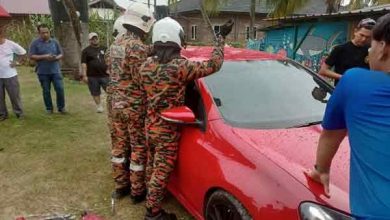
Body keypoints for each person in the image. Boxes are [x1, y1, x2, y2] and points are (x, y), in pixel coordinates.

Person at [139, 17, 233, 220]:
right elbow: (215, 64)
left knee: (152, 165)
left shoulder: (145, 66)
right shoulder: (180, 67)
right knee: (161, 170)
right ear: (176, 40)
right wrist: (220, 38)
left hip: (150, 125)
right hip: (167, 129)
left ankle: (152, 197)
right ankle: (152, 213)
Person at [308, 13, 390, 219]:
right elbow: (324, 70)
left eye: (370, 40)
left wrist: (320, 170)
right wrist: (344, 78)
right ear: (355, 31)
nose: (366, 45)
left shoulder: (358, 78)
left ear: (383, 49)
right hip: (345, 99)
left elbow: (330, 136)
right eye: (363, 36)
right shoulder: (341, 50)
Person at [106, 2, 154, 202]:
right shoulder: (137, 47)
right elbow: (141, 78)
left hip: (115, 105)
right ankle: (137, 191)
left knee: (119, 147)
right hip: (134, 107)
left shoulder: (115, 44)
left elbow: (113, 71)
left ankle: (120, 186)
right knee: (137, 147)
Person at [319, 18, 376, 86]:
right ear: (355, 32)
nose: (364, 39)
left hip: (361, 91)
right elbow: (323, 71)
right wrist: (345, 78)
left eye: (368, 37)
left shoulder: (370, 51)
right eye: (362, 35)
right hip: (342, 89)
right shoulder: (340, 49)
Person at [29, 24, 65, 114]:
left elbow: (61, 54)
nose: (45, 34)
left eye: (47, 32)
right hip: (42, 72)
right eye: (43, 33)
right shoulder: (35, 43)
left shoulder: (54, 42)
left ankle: (61, 107)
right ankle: (49, 108)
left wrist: (56, 58)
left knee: (60, 89)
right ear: (39, 33)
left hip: (55, 70)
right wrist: (45, 56)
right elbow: (31, 56)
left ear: (50, 32)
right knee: (46, 90)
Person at [0, 20, 27, 121]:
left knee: (14, 96)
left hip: (10, 75)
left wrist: (17, 63)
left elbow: (23, 53)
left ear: (3, 32)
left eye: (1, 30)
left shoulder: (10, 44)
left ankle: (19, 113)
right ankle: (2, 114)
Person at [81, 32, 109, 113]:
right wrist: (84, 75)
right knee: (95, 92)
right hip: (92, 76)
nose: (95, 40)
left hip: (105, 75)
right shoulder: (86, 51)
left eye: (96, 38)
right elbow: (84, 63)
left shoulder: (105, 48)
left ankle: (112, 105)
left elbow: (110, 59)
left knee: (110, 90)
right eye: (93, 39)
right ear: (89, 40)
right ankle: (99, 106)